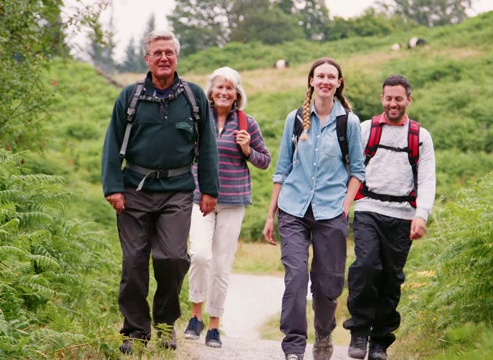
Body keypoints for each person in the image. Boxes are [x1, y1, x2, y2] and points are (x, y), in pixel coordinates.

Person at [101, 30, 219, 354]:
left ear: (176, 57)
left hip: (177, 191)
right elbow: (111, 145)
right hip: (134, 190)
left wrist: (209, 190)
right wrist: (112, 188)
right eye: (158, 53)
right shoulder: (130, 96)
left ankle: (166, 325)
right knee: (134, 263)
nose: (164, 58)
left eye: (169, 52)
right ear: (147, 59)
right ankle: (135, 332)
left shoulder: (194, 97)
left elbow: (208, 146)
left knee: (172, 258)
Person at [263, 58, 366, 360]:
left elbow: (358, 171)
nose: (325, 81)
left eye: (331, 77)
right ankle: (294, 347)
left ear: (338, 82)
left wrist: (345, 208)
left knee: (327, 283)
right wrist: (271, 215)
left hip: (331, 211)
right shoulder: (294, 119)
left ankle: (323, 333)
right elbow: (281, 169)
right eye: (320, 75)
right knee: (296, 278)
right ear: (311, 81)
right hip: (293, 209)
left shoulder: (350, 122)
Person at [343, 75, 436, 360]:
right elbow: (349, 168)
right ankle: (359, 332)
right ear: (381, 98)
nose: (392, 103)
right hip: (369, 208)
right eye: (388, 98)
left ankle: (380, 342)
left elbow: (427, 179)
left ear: (409, 99)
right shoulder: (366, 129)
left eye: (398, 98)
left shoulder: (420, 136)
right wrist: (343, 205)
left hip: (403, 217)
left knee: (391, 279)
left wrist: (421, 215)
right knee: (367, 266)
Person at [183, 66, 271, 348]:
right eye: (219, 87)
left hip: (234, 202)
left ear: (237, 94)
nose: (224, 92)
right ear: (210, 91)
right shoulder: (197, 119)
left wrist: (247, 149)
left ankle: (214, 326)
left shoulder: (247, 122)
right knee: (199, 255)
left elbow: (264, 161)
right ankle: (194, 315)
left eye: (229, 88)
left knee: (222, 265)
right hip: (199, 198)